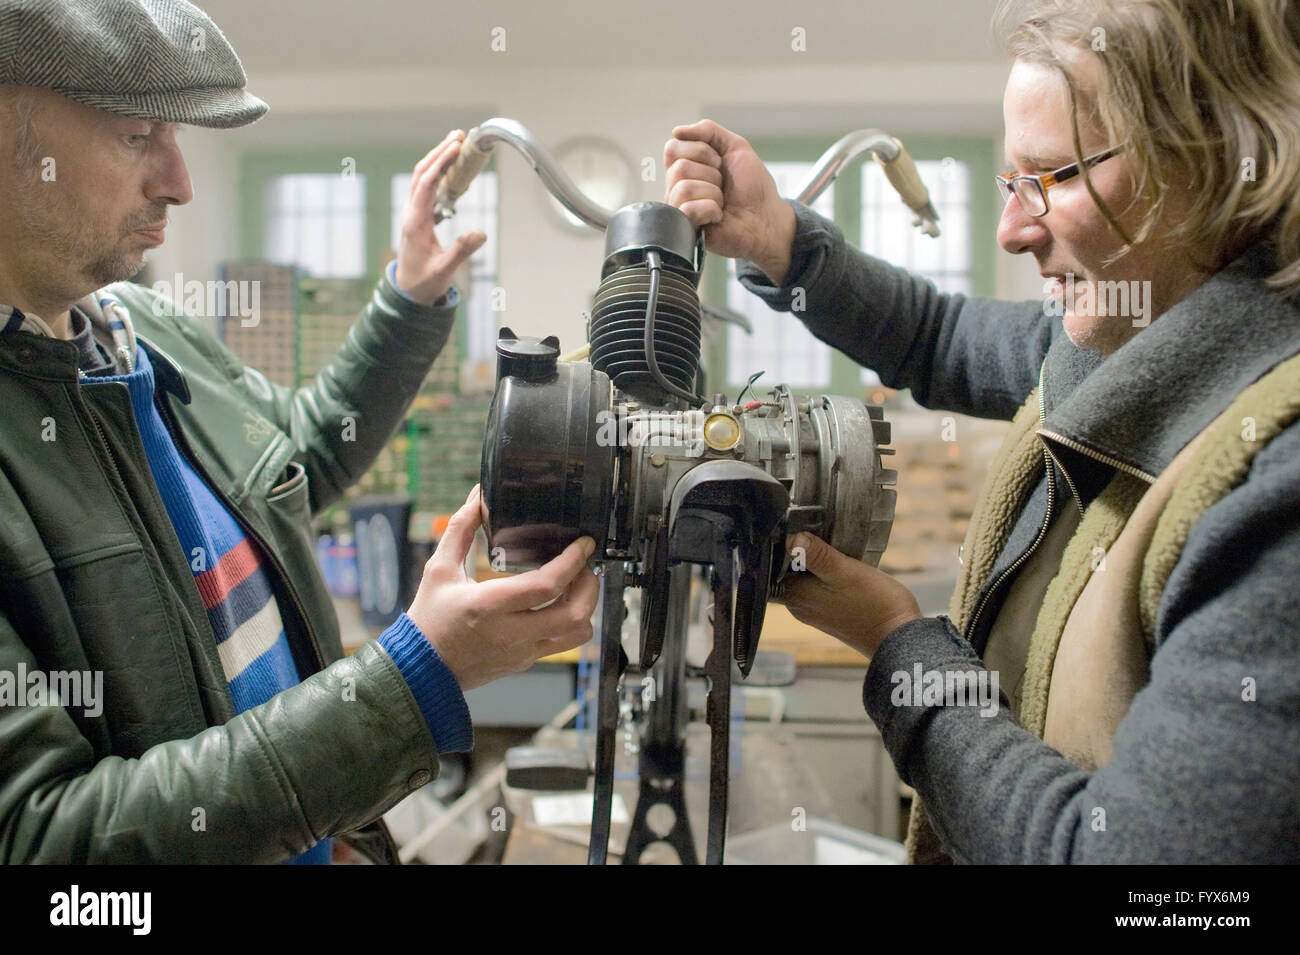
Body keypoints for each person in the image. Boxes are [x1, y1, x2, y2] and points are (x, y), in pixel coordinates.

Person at [665, 0, 1300, 863]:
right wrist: (783, 242)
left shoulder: (1274, 478)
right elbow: (938, 337)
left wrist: (901, 647)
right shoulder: (1126, 333)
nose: (1012, 229)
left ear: (1220, 160)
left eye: (1059, 176)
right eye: (1011, 182)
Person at [0, 0, 598, 864]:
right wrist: (410, 681)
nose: (179, 180)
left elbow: (296, 459)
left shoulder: (141, 328)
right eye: (136, 135)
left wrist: (409, 298)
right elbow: (48, 845)